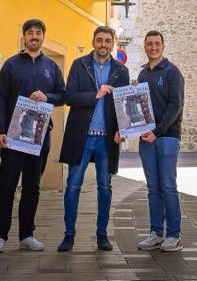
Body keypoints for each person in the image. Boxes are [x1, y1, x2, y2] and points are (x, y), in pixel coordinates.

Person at [0, 18, 65, 253]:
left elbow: (63, 95)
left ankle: (27, 235)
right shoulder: (11, 65)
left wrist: (48, 97)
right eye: (30, 32)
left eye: (38, 33)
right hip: (13, 137)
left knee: (32, 187)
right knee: (7, 186)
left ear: (43, 37)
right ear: (24, 37)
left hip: (39, 138)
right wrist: (0, 129)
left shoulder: (52, 67)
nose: (34, 36)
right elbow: (0, 99)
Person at [57, 25, 130, 252]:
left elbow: (123, 105)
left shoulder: (120, 71)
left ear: (113, 43)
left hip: (106, 139)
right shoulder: (80, 65)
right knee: (72, 186)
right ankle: (69, 235)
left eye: (107, 41)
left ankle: (102, 235)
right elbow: (69, 97)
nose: (103, 45)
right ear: (93, 42)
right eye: (99, 40)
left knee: (105, 187)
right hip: (82, 136)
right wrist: (95, 94)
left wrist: (122, 129)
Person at [133, 30, 185, 252]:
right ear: (145, 47)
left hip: (167, 137)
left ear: (162, 46)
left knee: (168, 186)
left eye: (157, 44)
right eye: (149, 44)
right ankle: (156, 233)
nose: (153, 47)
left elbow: (176, 105)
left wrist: (158, 130)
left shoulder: (172, 72)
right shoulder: (143, 75)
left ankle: (174, 235)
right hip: (147, 138)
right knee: (153, 187)